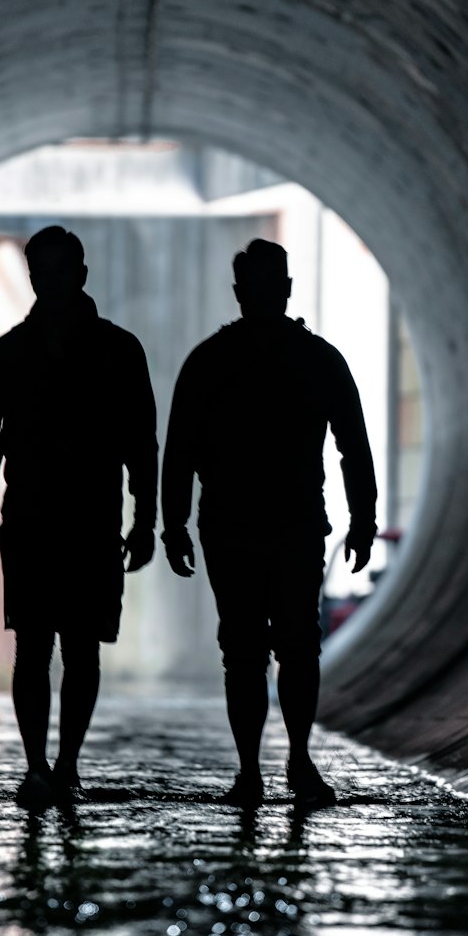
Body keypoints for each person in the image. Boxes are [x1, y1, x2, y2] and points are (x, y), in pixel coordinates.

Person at [160, 238, 377, 810]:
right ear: (285, 287)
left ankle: (254, 769)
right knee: (294, 646)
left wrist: (175, 523)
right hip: (292, 524)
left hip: (235, 526)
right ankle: (294, 761)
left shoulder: (210, 361)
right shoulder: (318, 358)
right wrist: (362, 519)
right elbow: (352, 446)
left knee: (246, 649)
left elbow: (179, 449)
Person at [0, 226, 158, 808]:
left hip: (86, 524)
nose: (52, 281)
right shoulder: (16, 354)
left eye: (59, 270)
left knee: (78, 649)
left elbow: (141, 443)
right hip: (36, 523)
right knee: (37, 648)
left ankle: (61, 763)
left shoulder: (112, 352)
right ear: (35, 277)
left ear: (80, 275)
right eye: (43, 271)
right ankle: (41, 763)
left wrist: (146, 518)